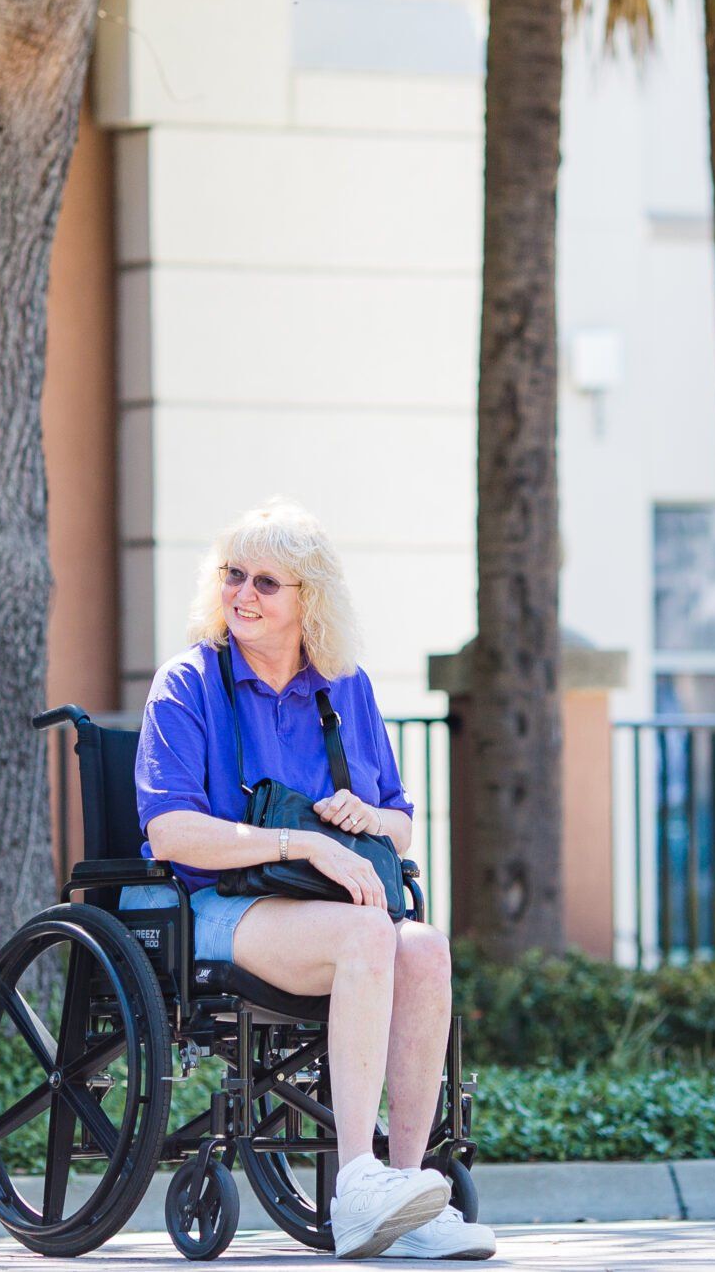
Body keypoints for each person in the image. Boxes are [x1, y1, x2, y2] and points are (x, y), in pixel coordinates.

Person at [122, 501, 494, 1261]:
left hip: (316, 916)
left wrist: (366, 816)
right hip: (214, 906)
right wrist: (304, 843)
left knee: (423, 947)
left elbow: (402, 823)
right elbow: (170, 831)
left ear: (308, 599)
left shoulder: (343, 688)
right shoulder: (189, 683)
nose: (242, 593)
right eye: (233, 574)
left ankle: (407, 1190)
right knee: (369, 933)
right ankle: (355, 1183)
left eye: (266, 580)